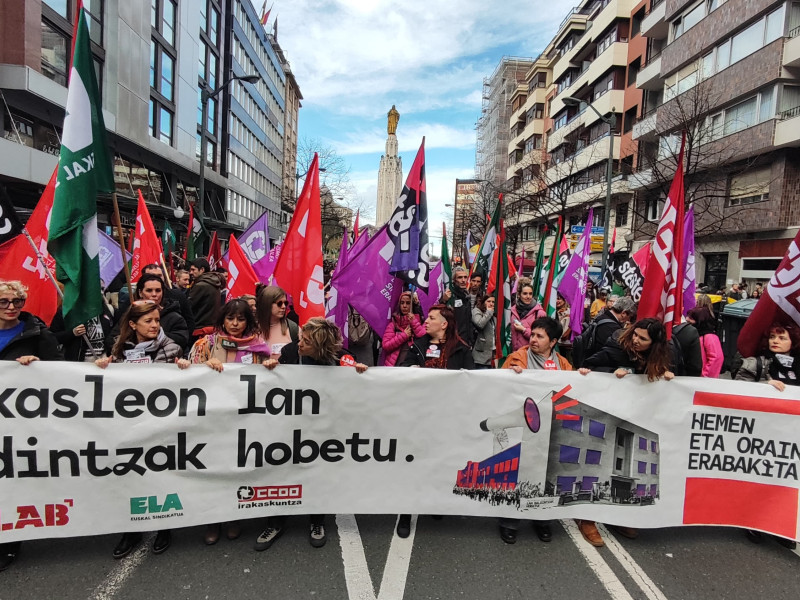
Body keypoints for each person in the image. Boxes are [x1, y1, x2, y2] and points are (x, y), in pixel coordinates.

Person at [257, 318, 367, 551]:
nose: (299, 343)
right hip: (292, 428)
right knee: (283, 474)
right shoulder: (289, 352)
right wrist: (270, 370)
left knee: (319, 475)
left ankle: (317, 522)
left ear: (320, 347)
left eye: (306, 341)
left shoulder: (341, 359)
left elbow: (355, 391)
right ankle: (275, 522)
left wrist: (360, 373)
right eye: (301, 338)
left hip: (324, 430)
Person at [95, 300, 189, 558]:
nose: (154, 325)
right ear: (133, 324)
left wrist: (183, 368)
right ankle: (131, 530)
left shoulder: (171, 348)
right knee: (131, 475)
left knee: (161, 472)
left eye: (157, 321)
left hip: (161, 424)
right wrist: (105, 366)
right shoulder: (120, 349)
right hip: (131, 425)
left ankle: (164, 527)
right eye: (148, 321)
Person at [189, 298, 269, 545]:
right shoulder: (207, 345)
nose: (235, 324)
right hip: (212, 419)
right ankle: (213, 519)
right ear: (222, 319)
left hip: (243, 420)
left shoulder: (259, 347)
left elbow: (267, 382)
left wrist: (271, 367)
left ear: (249, 321)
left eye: (241, 319)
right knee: (213, 469)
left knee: (236, 469)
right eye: (230, 318)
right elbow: (187, 376)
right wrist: (204, 366)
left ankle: (233, 516)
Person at [0, 280, 64, 572]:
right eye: (4, 302)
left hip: (20, 424)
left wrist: (36, 367)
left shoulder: (37, 332)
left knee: (12, 480)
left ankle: (9, 543)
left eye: (16, 302)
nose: (11, 307)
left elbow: (60, 374)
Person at [397, 304, 473, 537]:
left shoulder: (461, 350)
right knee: (413, 464)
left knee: (441, 462)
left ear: (444, 324)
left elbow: (473, 383)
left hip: (446, 418)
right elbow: (400, 370)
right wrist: (409, 369)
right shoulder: (418, 346)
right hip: (418, 416)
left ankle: (436, 502)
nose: (425, 321)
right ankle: (406, 513)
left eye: (431, 318)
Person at [500, 317, 570, 545]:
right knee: (518, 475)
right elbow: (499, 387)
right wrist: (512, 377)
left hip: (551, 431)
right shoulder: (517, 358)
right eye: (532, 335)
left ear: (553, 342)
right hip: (524, 430)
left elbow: (573, 391)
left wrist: (584, 375)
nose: (534, 340)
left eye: (540, 336)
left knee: (546, 477)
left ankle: (542, 520)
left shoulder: (564, 364)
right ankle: (509, 522)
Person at [735, 323, 799, 549]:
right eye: (772, 336)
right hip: (762, 432)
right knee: (760, 477)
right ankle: (754, 521)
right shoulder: (758, 363)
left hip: (791, 435)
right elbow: (737, 391)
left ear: (793, 341)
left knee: (786, 481)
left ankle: (780, 526)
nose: (775, 341)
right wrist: (764, 385)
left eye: (781, 338)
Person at [382, 291, 426, 367]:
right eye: (402, 303)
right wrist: (404, 336)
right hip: (394, 367)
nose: (404, 306)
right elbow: (386, 345)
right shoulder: (393, 324)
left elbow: (423, 336)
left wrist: (413, 321)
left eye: (408, 303)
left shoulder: (421, 322)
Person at [255, 285, 299, 359]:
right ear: (267, 304)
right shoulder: (252, 328)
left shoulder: (293, 329)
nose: (283, 306)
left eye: (285, 303)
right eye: (279, 303)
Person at [188, 258, 226, 339]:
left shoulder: (201, 285)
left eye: (193, 269)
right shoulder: (214, 283)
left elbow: (188, 306)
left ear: (202, 270)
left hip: (199, 329)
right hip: (211, 328)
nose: (190, 272)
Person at [441, 267, 475, 348]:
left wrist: (471, 340)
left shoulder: (467, 297)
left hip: (467, 342)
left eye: (465, 277)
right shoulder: (450, 297)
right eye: (460, 277)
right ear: (454, 280)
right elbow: (442, 316)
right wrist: (443, 301)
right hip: (454, 341)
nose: (463, 280)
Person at [686, 307, 723, 378]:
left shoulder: (710, 337)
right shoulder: (696, 334)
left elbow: (716, 358)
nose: (687, 318)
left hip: (702, 379)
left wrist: (704, 376)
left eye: (691, 317)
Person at [510, 282, 546, 352]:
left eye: (530, 293)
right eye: (525, 293)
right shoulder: (512, 311)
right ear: (519, 295)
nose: (528, 296)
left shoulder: (539, 313)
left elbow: (542, 337)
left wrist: (524, 330)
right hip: (515, 354)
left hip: (531, 354)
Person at [471, 294, 495, 368]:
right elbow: (480, 324)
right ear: (483, 302)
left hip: (492, 355)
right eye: (488, 301)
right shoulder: (476, 311)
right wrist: (489, 312)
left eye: (493, 302)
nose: (491, 304)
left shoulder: (495, 314)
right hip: (481, 356)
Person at [555, 294, 573, 364]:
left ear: (564, 300)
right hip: (557, 344)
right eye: (555, 299)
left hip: (567, 345)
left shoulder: (570, 312)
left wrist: (568, 331)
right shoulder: (552, 312)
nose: (557, 301)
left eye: (559, 299)